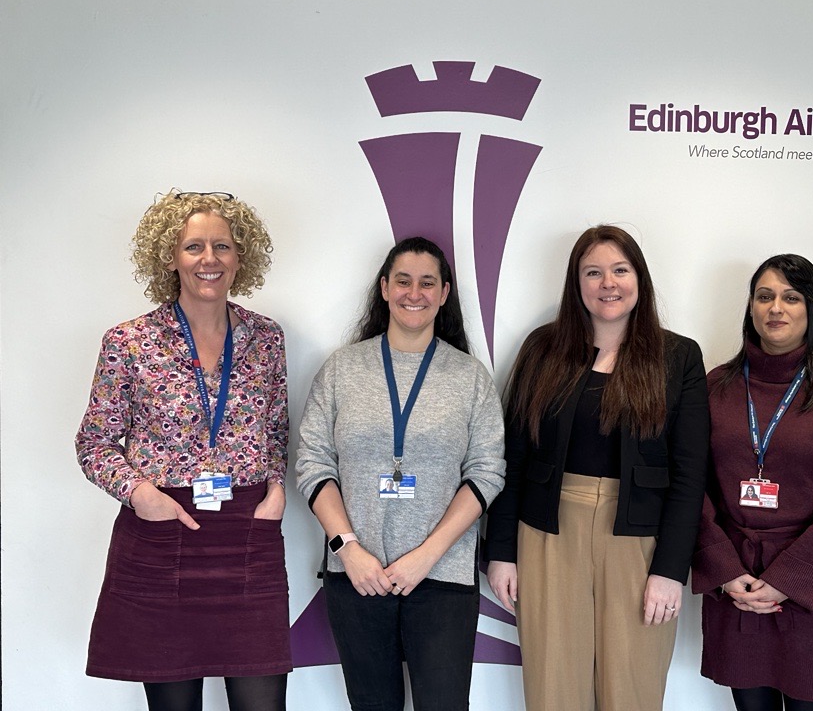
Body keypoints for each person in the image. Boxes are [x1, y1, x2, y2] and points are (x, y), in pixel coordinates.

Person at [76, 190, 291, 711]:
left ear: (242, 256)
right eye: (193, 246)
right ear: (170, 258)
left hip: (247, 532)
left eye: (222, 245)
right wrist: (139, 493)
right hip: (161, 531)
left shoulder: (266, 338)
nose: (209, 259)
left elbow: (277, 430)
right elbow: (94, 441)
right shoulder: (129, 341)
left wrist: (277, 487)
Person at [485, 225, 710, 711]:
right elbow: (514, 458)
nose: (608, 283)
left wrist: (670, 569)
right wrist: (500, 550)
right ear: (576, 283)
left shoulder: (679, 357)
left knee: (632, 687)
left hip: (638, 541)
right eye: (593, 272)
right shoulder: (543, 349)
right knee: (553, 687)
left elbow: (691, 476)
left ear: (639, 279)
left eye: (620, 270)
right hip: (548, 532)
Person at [294, 237, 505, 711]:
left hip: (443, 576)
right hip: (356, 574)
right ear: (385, 288)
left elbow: (488, 472)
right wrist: (347, 548)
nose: (415, 293)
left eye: (427, 282)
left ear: (444, 292)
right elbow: (313, 462)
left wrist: (425, 556)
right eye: (404, 281)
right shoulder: (342, 369)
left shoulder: (470, 377)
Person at [691, 254, 813, 711]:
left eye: (791, 297)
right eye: (765, 296)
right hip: (737, 581)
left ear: (811, 310)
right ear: (751, 308)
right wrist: (726, 572)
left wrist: (788, 580)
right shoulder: (715, 386)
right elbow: (690, 485)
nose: (776, 308)